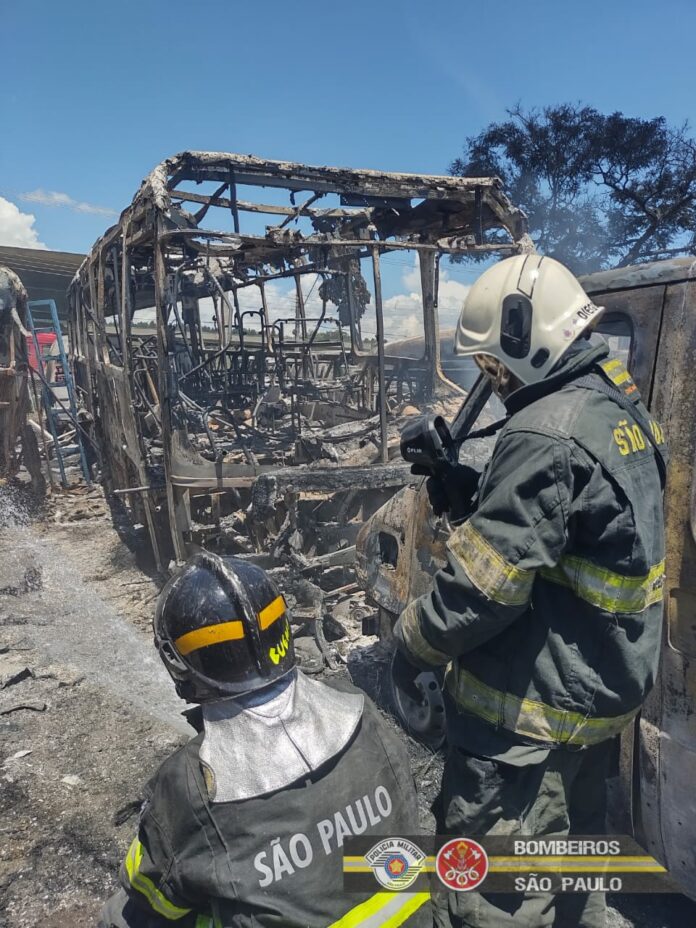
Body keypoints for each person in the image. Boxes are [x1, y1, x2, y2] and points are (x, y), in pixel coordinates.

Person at [392, 254, 667, 928]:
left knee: (497, 899)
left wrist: (410, 645)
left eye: (493, 363)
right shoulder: (618, 408)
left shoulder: (544, 433)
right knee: (573, 879)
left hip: (526, 732)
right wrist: (472, 494)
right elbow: (567, 535)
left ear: (525, 337)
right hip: (589, 709)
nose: (496, 378)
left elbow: (482, 592)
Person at [100, 551, 430, 928]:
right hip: (413, 914)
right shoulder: (356, 706)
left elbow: (149, 894)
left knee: (121, 915)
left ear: (177, 663)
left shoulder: (190, 786)